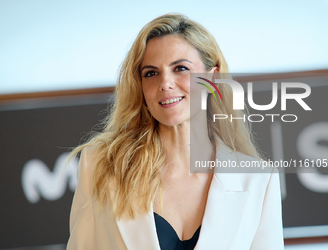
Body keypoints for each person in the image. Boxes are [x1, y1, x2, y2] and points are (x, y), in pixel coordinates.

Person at [66, 13, 284, 250]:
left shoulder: (258, 181)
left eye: (180, 68)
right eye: (151, 73)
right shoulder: (100, 165)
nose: (165, 83)